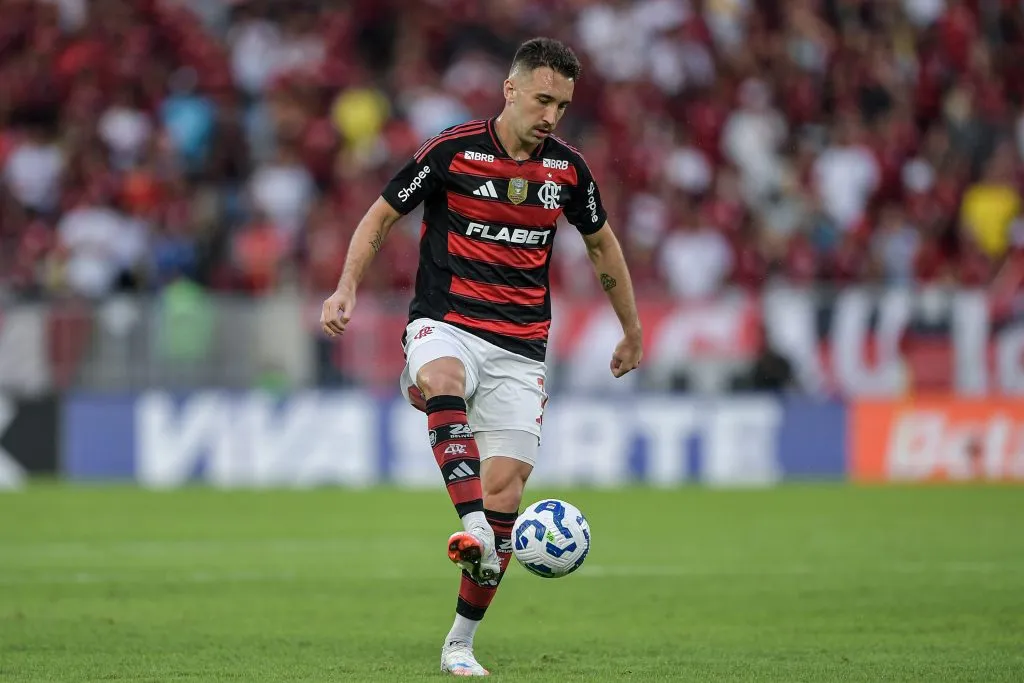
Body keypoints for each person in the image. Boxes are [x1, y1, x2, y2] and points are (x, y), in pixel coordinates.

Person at [320, 37, 643, 676]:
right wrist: (346, 285)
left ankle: (460, 642)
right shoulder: (452, 151)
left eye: (564, 105)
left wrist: (631, 331)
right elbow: (380, 217)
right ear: (511, 90)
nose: (551, 116)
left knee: (506, 492)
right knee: (441, 377)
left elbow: (603, 247)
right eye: (543, 100)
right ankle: (470, 523)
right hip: (447, 323)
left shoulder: (568, 172)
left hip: (522, 349)